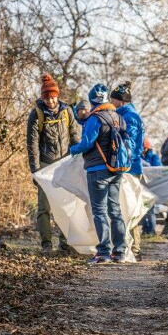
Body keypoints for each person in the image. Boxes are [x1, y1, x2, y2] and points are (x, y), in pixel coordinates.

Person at [69, 83, 127, 264]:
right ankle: (120, 252)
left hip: (97, 171)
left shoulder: (95, 119)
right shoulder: (118, 117)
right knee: (115, 210)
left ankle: (103, 252)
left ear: (92, 99)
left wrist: (73, 149)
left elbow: (86, 143)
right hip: (116, 169)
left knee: (100, 211)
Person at [26, 73, 80, 256]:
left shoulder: (67, 112)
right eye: (47, 97)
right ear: (43, 97)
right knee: (44, 207)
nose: (50, 100)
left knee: (66, 205)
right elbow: (32, 143)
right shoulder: (36, 114)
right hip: (45, 165)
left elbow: (75, 137)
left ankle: (65, 243)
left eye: (53, 96)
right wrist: (35, 170)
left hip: (65, 164)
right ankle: (46, 244)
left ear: (57, 95)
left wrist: (77, 162)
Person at [110, 81, 145, 257]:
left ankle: (135, 247)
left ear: (120, 101)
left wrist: (121, 164)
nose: (111, 102)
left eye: (113, 99)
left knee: (130, 207)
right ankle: (132, 245)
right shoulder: (127, 113)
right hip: (130, 167)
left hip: (129, 168)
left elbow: (128, 144)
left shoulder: (129, 116)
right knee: (128, 206)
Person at [140, 138, 161, 235]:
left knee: (150, 210)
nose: (142, 149)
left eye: (144, 148)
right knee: (142, 209)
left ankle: (152, 230)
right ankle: (145, 229)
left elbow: (158, 170)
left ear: (147, 148)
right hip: (141, 187)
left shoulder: (154, 157)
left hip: (151, 187)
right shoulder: (139, 157)